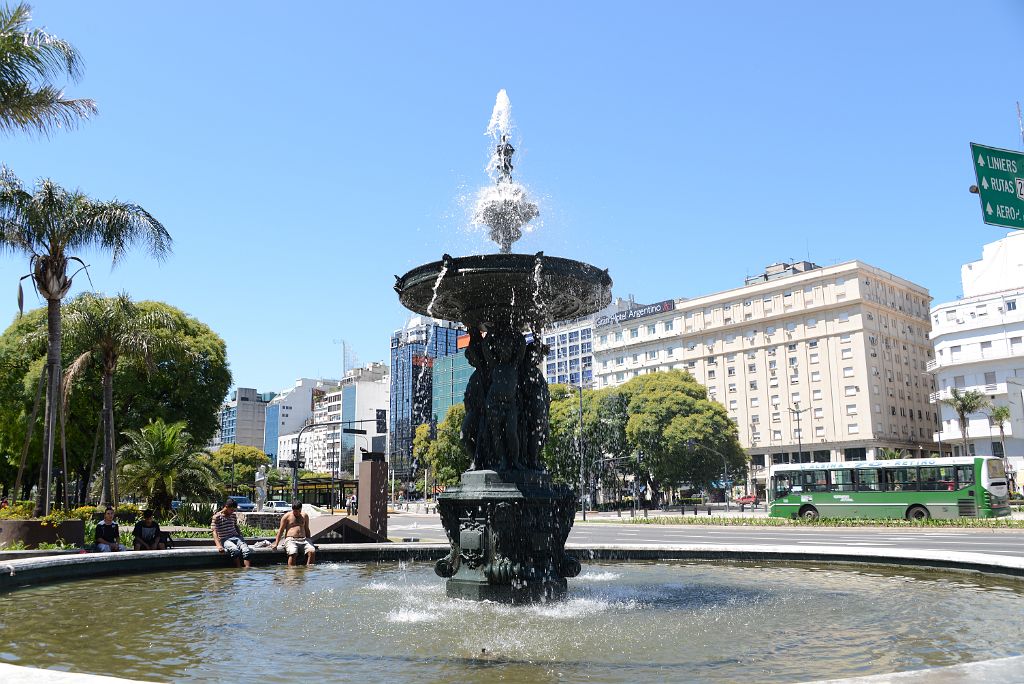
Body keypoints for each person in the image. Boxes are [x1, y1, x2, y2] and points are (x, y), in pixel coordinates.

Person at [270, 500, 316, 566]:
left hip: (304, 540)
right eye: (295, 511)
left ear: (301, 509)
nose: (297, 513)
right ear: (292, 509)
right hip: (291, 540)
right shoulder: (286, 516)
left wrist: (310, 541)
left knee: (312, 551)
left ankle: (308, 570)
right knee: (293, 553)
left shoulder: (305, 516)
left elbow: (307, 529)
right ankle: (291, 572)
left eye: (299, 511)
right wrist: (276, 544)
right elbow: (281, 530)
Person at [211, 498, 251, 568]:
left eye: (234, 510)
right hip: (225, 539)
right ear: (226, 507)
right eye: (231, 510)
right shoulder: (217, 517)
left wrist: (240, 536)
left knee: (246, 550)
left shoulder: (233, 515)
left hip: (236, 537)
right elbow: (214, 531)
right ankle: (238, 568)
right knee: (235, 550)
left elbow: (236, 526)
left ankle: (247, 570)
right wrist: (219, 546)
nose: (233, 511)